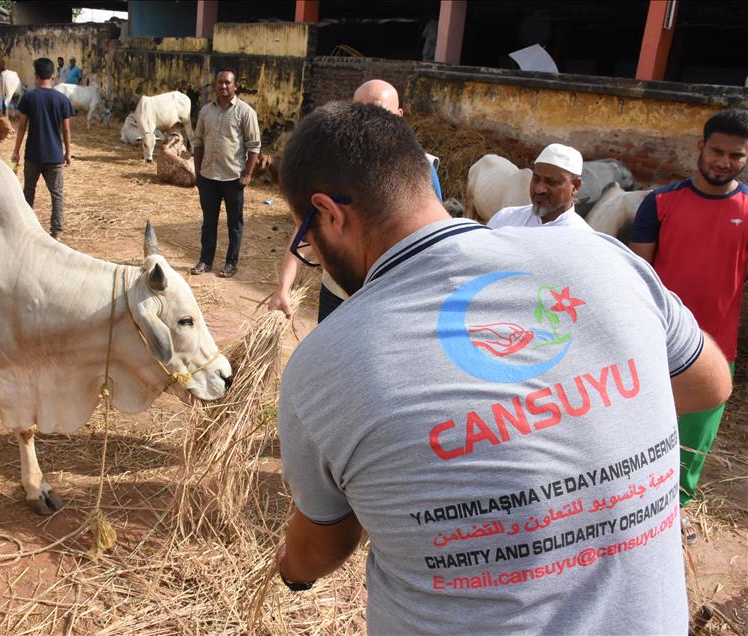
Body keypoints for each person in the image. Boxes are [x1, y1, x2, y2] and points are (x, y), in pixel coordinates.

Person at [273, 102, 731, 634]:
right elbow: (710, 383)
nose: (314, 252)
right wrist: (584, 407)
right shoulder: (607, 261)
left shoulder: (324, 366)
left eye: (305, 234)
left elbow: (325, 545)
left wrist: (291, 571)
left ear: (330, 213)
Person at [629, 108, 748, 542]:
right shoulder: (660, 203)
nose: (724, 161)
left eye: (736, 155)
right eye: (717, 150)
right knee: (640, 428)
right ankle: (633, 506)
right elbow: (637, 274)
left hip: (716, 347)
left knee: (693, 441)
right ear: (700, 147)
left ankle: (674, 513)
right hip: (655, 343)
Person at [267, 79, 443, 321]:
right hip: (337, 292)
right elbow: (306, 228)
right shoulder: (331, 169)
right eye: (358, 111)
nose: (367, 124)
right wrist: (283, 288)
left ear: (399, 117)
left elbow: (432, 245)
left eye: (379, 112)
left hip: (390, 300)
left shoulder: (420, 170)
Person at [190, 68, 261, 279]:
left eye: (227, 83)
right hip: (208, 177)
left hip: (233, 178)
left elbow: (254, 147)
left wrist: (248, 175)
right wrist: (198, 172)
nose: (223, 86)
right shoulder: (205, 112)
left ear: (235, 86)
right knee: (208, 222)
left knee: (234, 223)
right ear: (215, 85)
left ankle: (231, 263)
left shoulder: (245, 112)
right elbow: (198, 142)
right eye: (220, 82)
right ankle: (205, 261)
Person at [11, 57, 74, 241]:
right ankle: (56, 233)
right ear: (53, 76)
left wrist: (16, 151)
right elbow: (66, 129)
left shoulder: (28, 97)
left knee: (28, 192)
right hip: (54, 155)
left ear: (36, 76)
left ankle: (26, 229)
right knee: (57, 195)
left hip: (32, 154)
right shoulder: (62, 99)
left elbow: (22, 127)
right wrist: (68, 152)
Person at [487, 143, 592, 230]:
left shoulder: (583, 237)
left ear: (575, 186)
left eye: (551, 182)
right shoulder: (504, 219)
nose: (539, 189)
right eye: (536, 179)